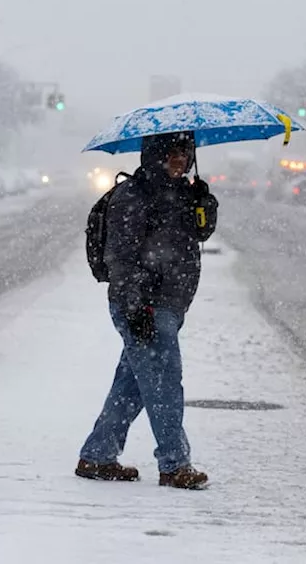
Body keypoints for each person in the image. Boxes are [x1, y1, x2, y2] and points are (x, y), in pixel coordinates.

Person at [75, 130, 217, 490]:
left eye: (185, 153)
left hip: (171, 302)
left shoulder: (182, 193)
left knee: (134, 384)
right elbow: (120, 258)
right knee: (165, 382)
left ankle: (98, 455)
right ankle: (174, 463)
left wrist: (205, 202)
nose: (180, 160)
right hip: (145, 306)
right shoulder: (133, 196)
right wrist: (136, 306)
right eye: (172, 153)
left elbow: (201, 233)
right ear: (154, 154)